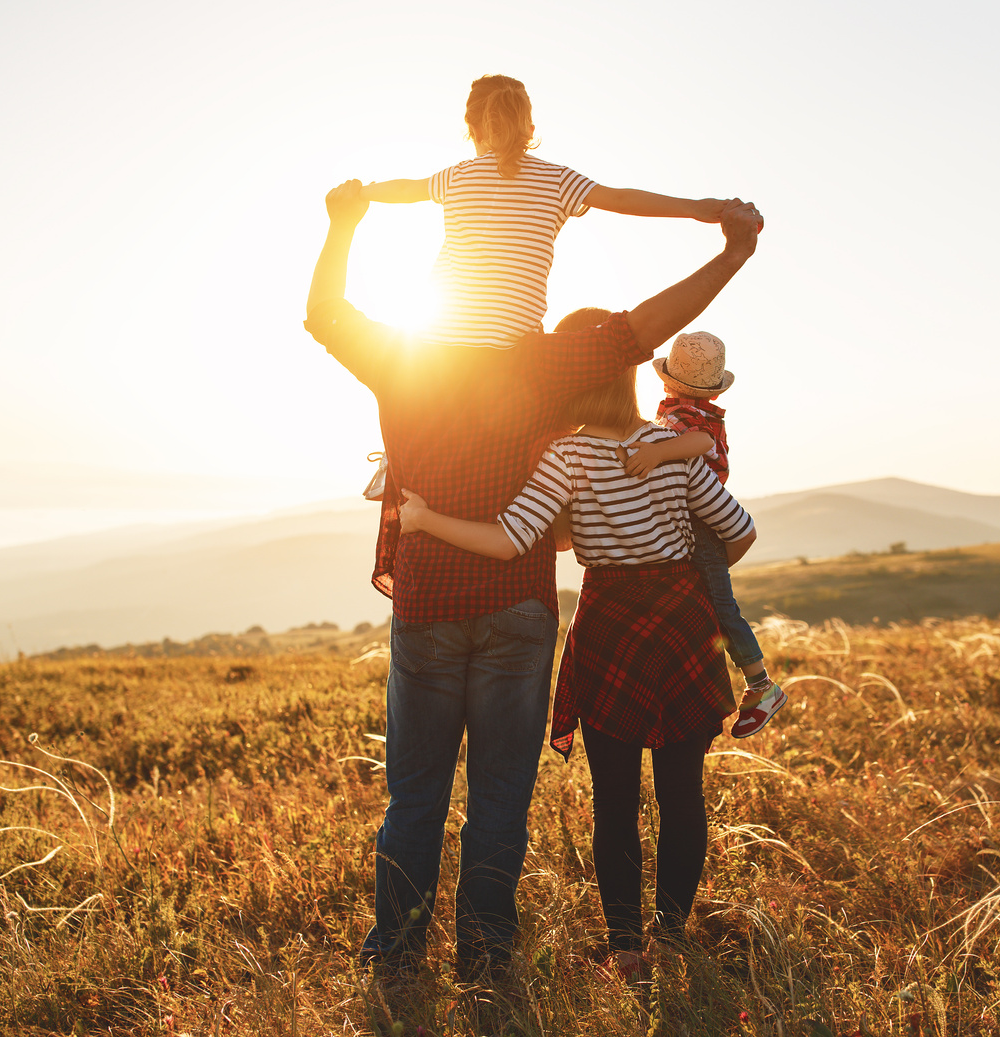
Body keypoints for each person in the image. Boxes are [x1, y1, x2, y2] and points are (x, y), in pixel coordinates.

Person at [303, 177, 763, 982]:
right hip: (518, 607)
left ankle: (397, 953)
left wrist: (343, 225)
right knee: (500, 798)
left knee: (414, 794)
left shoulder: (402, 354)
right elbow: (650, 325)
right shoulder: (549, 360)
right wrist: (731, 250)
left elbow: (325, 314)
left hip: (428, 604)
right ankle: (486, 955)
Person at [395, 356, 756, 1001]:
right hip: (680, 624)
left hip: (611, 624)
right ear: (629, 380)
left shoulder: (567, 455)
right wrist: (679, 570)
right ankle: (672, 937)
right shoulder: (668, 445)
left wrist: (422, 521)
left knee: (614, 800)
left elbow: (510, 542)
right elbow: (739, 530)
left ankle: (626, 948)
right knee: (682, 792)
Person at [361, 74, 728, 350]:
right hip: (513, 345)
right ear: (530, 128)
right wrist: (694, 208)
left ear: (472, 130)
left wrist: (361, 192)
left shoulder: (457, 176)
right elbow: (620, 200)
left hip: (438, 339)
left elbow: (406, 188)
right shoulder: (557, 179)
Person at [618, 331, 787, 737]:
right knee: (702, 602)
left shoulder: (690, 419)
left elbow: (699, 442)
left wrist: (656, 453)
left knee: (719, 605)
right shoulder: (684, 410)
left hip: (700, 521)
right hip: (691, 519)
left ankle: (761, 685)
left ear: (667, 380)